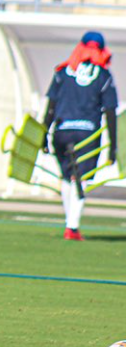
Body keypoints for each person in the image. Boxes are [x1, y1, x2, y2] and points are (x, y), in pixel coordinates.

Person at [42, 31, 118, 241]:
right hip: (87, 133)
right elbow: (110, 111)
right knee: (81, 178)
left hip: (62, 131)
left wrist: (43, 134)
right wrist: (113, 145)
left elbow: (51, 106)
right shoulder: (103, 76)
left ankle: (70, 223)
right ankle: (72, 226)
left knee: (67, 177)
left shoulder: (63, 72)